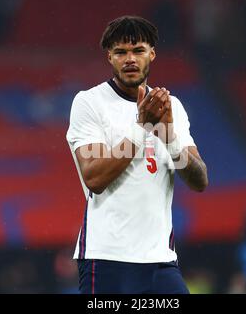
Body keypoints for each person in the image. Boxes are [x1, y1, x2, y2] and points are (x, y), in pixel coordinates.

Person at [66, 15, 208, 294]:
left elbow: (198, 180)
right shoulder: (90, 103)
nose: (130, 59)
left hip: (161, 260)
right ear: (109, 57)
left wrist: (168, 136)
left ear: (152, 54)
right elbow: (94, 178)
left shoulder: (172, 107)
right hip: (108, 258)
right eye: (121, 52)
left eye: (138, 50)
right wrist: (142, 128)